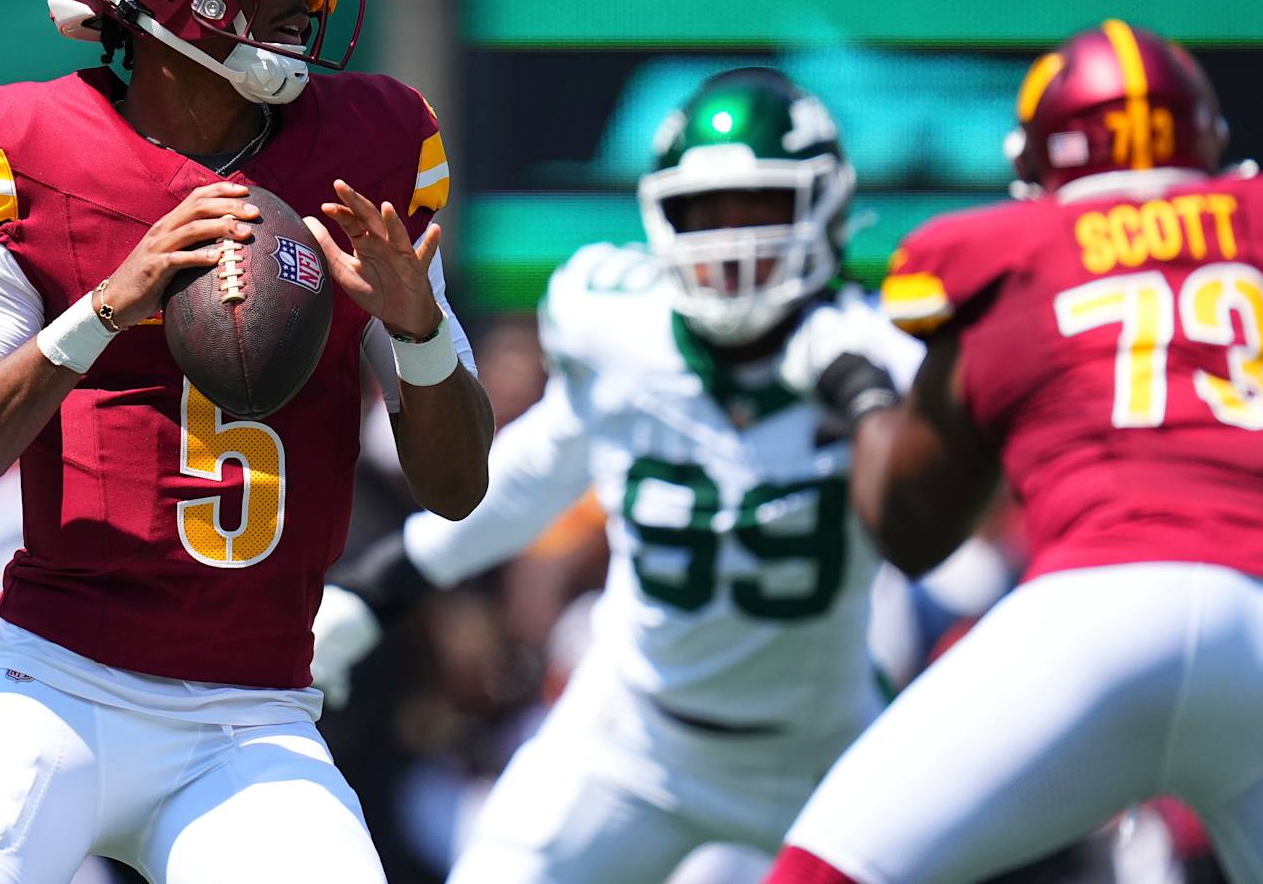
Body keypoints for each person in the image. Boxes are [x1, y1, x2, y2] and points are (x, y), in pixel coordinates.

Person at [0, 0, 494, 884]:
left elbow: (458, 484)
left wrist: (420, 328)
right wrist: (105, 309)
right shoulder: (33, 149)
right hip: (54, 689)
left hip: (253, 723)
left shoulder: (375, 148)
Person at [312, 69, 923, 881]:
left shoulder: (882, 360)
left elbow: (936, 535)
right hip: (635, 734)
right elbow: (540, 469)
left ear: (824, 208)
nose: (733, 244)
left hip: (819, 749)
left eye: (760, 209)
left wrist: (866, 398)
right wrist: (382, 583)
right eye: (707, 214)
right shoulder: (624, 327)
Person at [763, 21, 1263, 883]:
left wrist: (859, 393)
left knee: (826, 872)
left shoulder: (1005, 253)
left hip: (1106, 609)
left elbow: (914, 525)